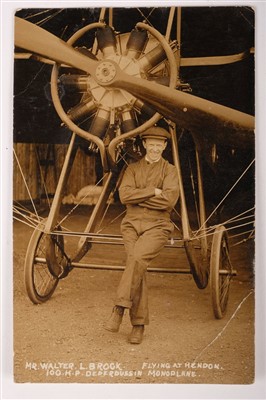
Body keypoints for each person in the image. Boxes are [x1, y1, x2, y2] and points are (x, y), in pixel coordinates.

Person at [104, 126, 179, 344]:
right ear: (145, 145)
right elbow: (124, 196)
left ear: (164, 147)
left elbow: (169, 201)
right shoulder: (132, 168)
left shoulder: (170, 171)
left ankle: (119, 308)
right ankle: (138, 325)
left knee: (136, 260)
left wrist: (139, 196)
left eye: (159, 145)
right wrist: (154, 192)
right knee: (137, 265)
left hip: (158, 225)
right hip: (131, 225)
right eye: (151, 145)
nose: (155, 149)